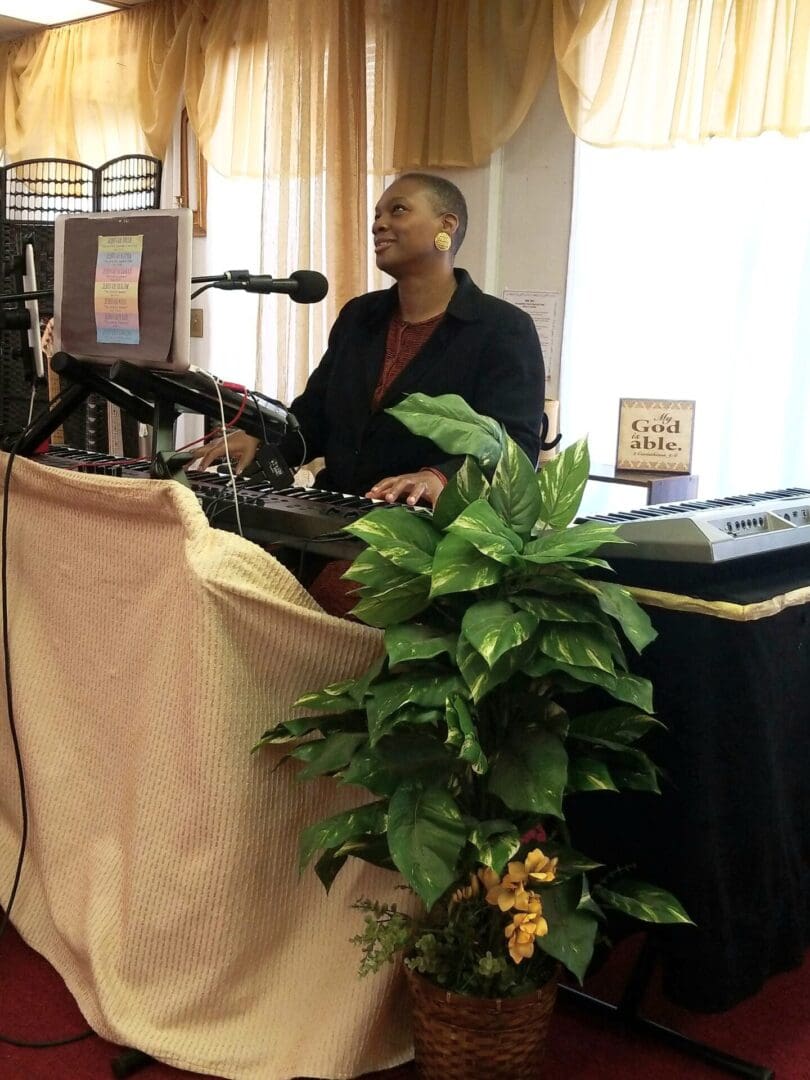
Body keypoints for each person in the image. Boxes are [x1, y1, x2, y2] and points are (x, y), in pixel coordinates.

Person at [195, 173, 544, 509]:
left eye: (399, 210)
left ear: (446, 226)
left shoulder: (502, 329)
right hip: (332, 514)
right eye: (377, 214)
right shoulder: (359, 316)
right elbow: (314, 416)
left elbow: (515, 448)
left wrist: (439, 477)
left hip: (422, 535)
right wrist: (261, 439)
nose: (378, 224)